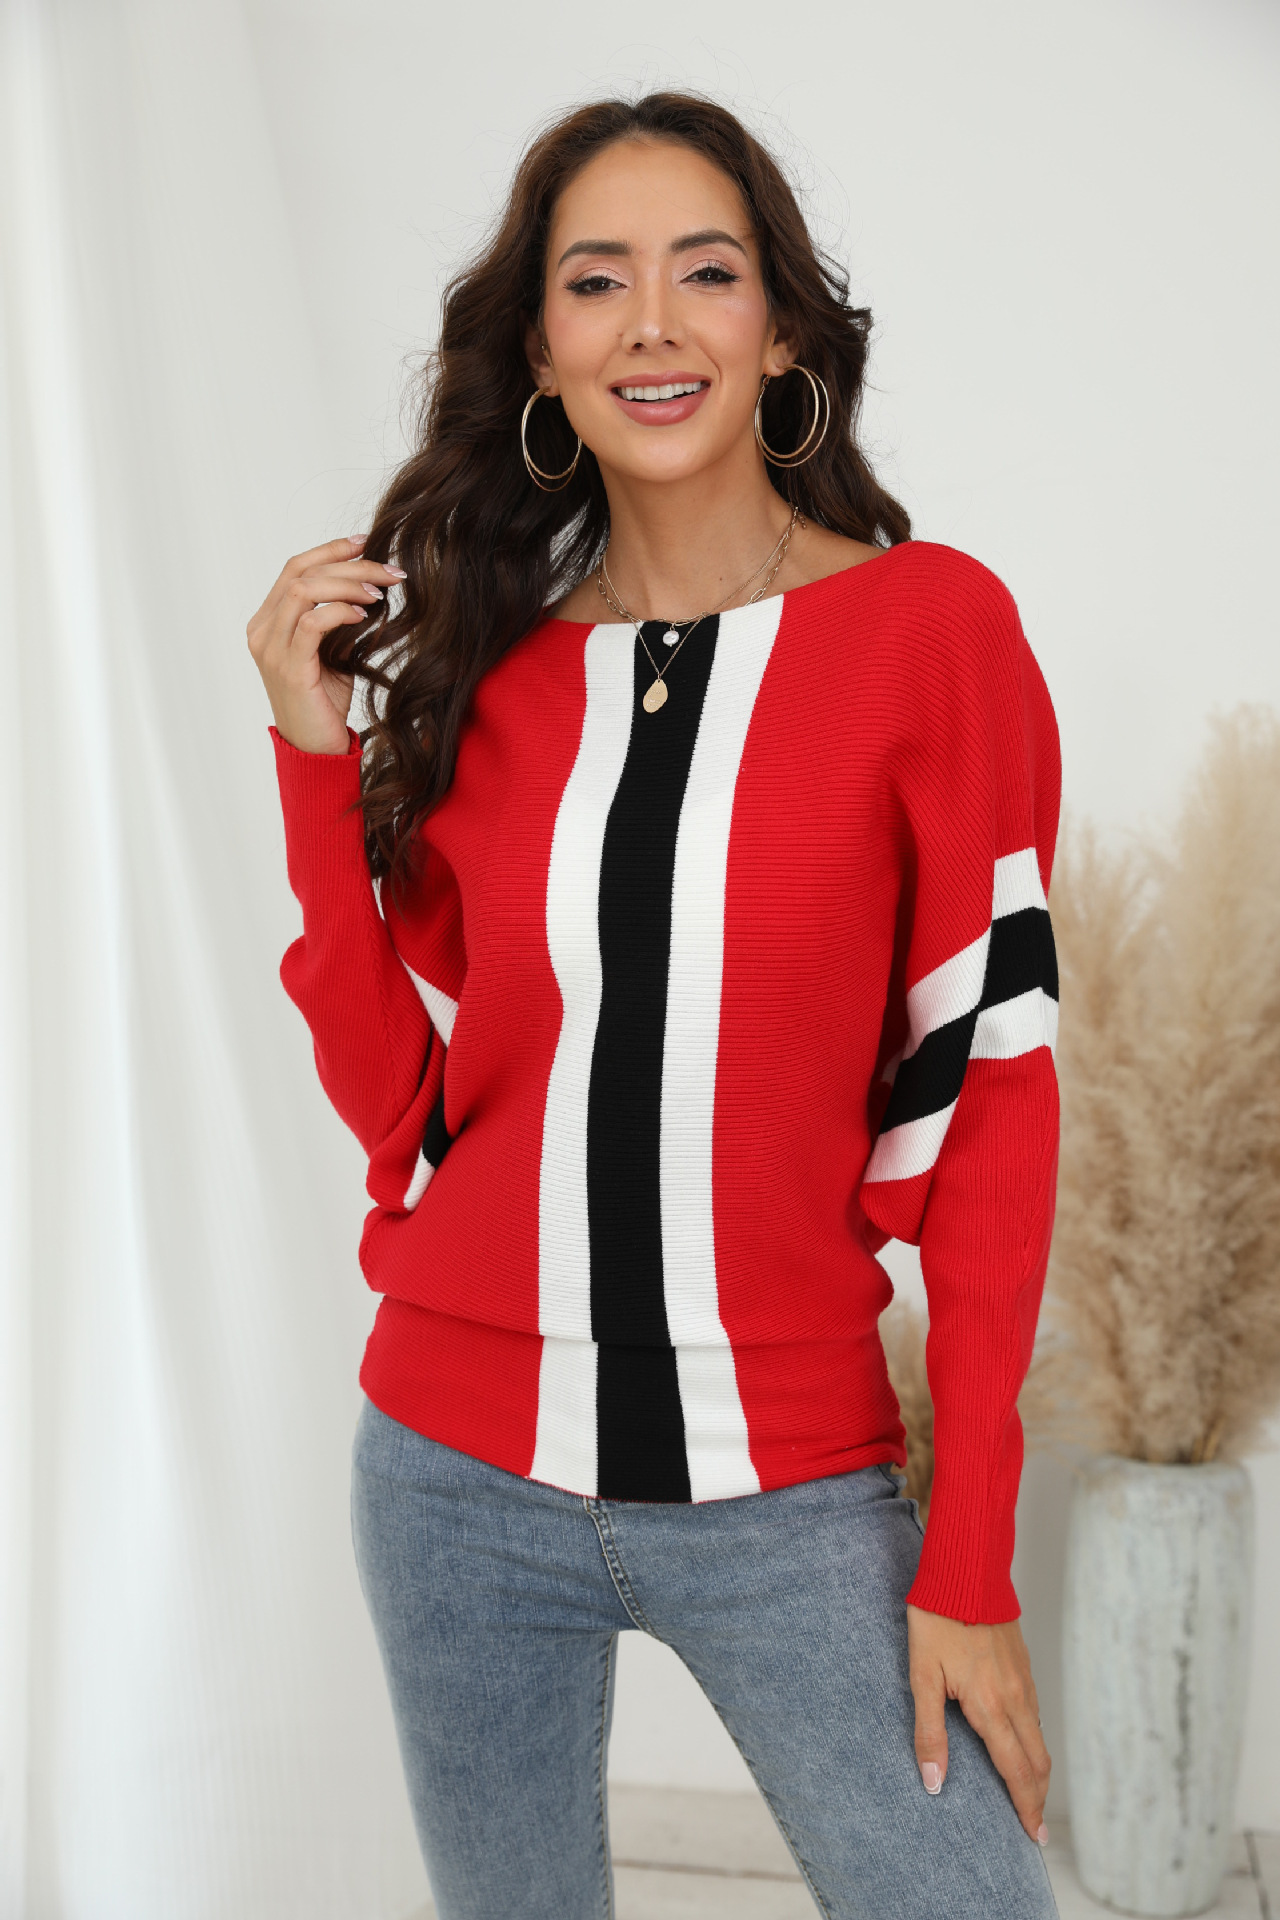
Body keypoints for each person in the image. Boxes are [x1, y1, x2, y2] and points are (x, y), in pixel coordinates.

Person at [247, 92, 1061, 1920]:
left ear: (781, 331)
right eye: (596, 281)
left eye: (707, 271)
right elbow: (402, 1104)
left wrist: (971, 1559)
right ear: (541, 352)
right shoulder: (499, 678)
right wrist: (314, 761)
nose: (652, 323)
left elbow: (999, 1103)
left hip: (792, 1485)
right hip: (451, 1477)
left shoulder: (931, 635)